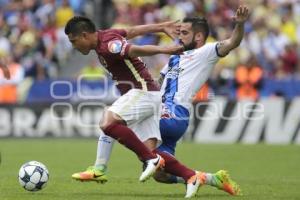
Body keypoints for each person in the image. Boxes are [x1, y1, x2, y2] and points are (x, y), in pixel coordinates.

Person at [65, 16, 184, 184]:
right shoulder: (106, 35)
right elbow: (132, 31)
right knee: (158, 171)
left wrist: (165, 50)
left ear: (84, 35)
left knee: (108, 123)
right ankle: (199, 177)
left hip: (143, 92)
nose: (74, 46)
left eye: (74, 41)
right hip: (149, 96)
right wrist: (162, 26)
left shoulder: (108, 46)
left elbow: (134, 49)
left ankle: (139, 161)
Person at [149, 5, 249, 197]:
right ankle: (210, 178)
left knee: (131, 127)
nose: (180, 36)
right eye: (180, 32)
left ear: (199, 37)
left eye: (185, 33)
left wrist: (240, 25)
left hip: (173, 112)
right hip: (163, 111)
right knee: (160, 174)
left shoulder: (207, 52)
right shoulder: (174, 58)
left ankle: (99, 166)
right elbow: (158, 84)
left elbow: (232, 42)